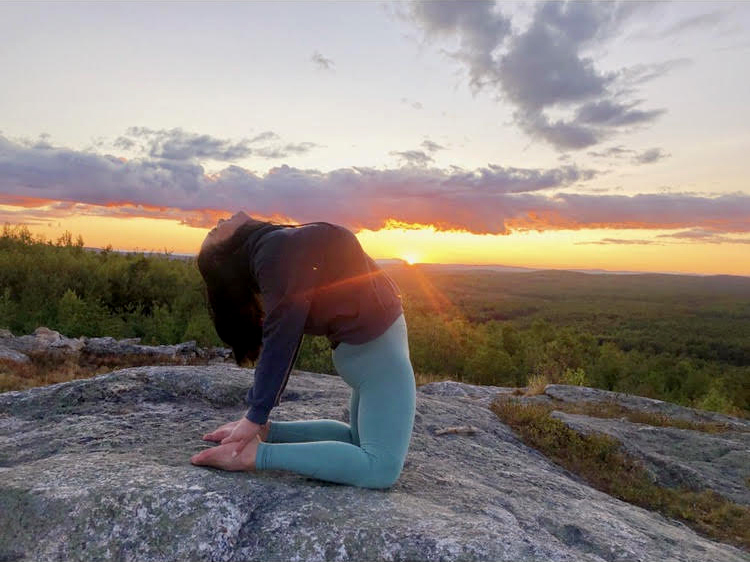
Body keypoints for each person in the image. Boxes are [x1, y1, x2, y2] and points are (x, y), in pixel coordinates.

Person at [190, 211, 416, 489]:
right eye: (213, 232)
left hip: (370, 354)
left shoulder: (277, 244)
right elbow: (282, 335)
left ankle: (269, 436)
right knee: (380, 467)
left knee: (357, 442)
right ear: (227, 254)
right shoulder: (276, 252)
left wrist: (259, 425)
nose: (219, 221)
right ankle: (255, 454)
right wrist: (255, 414)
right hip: (377, 356)